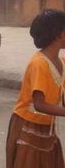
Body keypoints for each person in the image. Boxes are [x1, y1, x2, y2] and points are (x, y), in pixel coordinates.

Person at [6, 9, 65, 168]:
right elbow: (39, 104)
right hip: (28, 126)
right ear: (58, 35)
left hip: (46, 128)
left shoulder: (61, 62)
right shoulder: (39, 64)